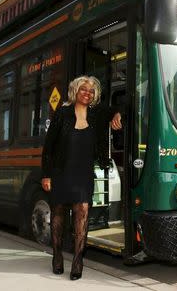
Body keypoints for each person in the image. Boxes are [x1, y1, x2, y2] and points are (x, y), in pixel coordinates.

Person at [41, 75, 122, 280]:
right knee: (58, 213)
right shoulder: (63, 113)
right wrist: (46, 175)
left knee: (82, 212)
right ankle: (57, 254)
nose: (88, 93)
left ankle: (78, 259)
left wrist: (117, 114)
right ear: (75, 91)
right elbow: (48, 147)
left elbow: (123, 104)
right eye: (84, 89)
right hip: (60, 171)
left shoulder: (96, 114)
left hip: (83, 172)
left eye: (91, 91)